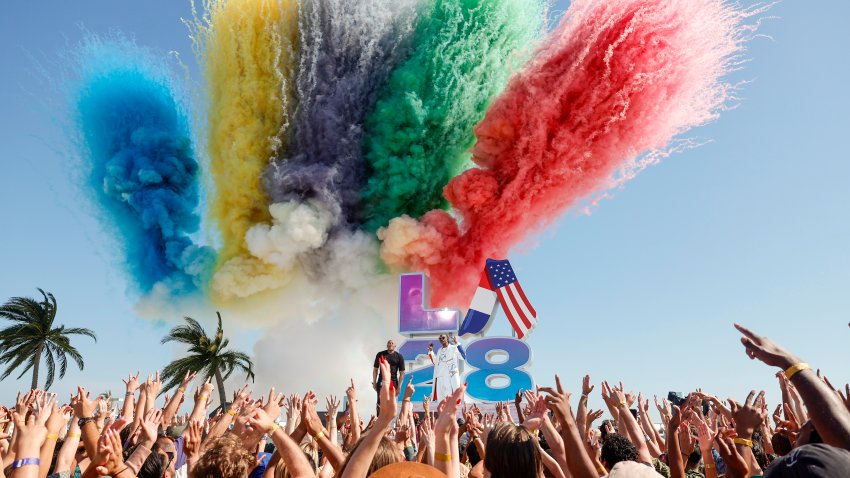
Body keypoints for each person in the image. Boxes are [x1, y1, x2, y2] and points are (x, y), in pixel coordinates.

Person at [372, 339, 405, 414]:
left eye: (392, 343)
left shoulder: (399, 356)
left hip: (393, 382)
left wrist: (399, 387)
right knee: (380, 401)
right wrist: (374, 382)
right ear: (387, 345)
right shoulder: (380, 354)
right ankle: (378, 420)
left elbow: (402, 373)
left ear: (395, 345)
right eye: (389, 343)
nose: (390, 344)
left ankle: (388, 422)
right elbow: (375, 369)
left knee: (390, 402)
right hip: (381, 381)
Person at [431, 334, 465, 402]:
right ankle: (441, 412)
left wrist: (457, 343)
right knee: (440, 400)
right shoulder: (439, 350)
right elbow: (435, 361)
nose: (441, 339)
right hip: (440, 376)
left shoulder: (453, 348)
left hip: (449, 376)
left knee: (449, 398)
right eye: (440, 338)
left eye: (443, 338)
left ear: (447, 339)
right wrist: (431, 352)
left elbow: (463, 356)